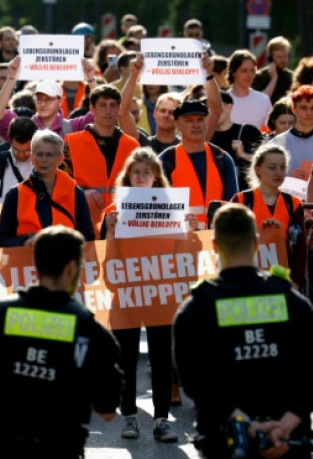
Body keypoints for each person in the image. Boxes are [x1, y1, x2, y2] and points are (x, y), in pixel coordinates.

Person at [173, 203, 313, 459]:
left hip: (226, 441)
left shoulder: (196, 308)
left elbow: (194, 382)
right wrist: (284, 426)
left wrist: (247, 425)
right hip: (288, 441)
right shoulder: (289, 298)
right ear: (256, 243)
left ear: (214, 245)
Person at [0, 226, 123, 459]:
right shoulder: (89, 330)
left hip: (7, 447)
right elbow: (107, 406)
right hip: (61, 448)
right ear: (72, 268)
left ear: (36, 264)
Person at [99, 148, 179, 443]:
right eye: (137, 172)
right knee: (126, 358)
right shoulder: (113, 212)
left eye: (148, 172)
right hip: (126, 294)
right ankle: (130, 417)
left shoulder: (173, 209)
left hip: (161, 294)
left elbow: (185, 254)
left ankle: (161, 419)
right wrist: (109, 231)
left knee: (161, 358)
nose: (142, 176)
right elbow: (107, 263)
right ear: (128, 177)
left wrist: (193, 232)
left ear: (157, 177)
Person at [0, 130, 95, 245]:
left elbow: (88, 236)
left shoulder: (76, 193)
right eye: (39, 154)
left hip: (65, 260)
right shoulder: (14, 195)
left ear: (61, 158)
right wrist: (25, 242)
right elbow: (1, 240)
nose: (43, 159)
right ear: (32, 157)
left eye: (49, 154)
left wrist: (66, 242)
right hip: (27, 261)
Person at [63, 84, 140, 231]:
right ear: (92, 109)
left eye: (113, 105)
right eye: (102, 105)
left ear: (119, 108)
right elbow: (60, 182)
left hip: (122, 224)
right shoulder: (71, 142)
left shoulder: (132, 145)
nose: (108, 111)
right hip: (83, 221)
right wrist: (81, 192)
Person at [231, 145, 307, 287]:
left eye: (282, 167)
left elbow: (299, 249)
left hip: (283, 279)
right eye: (272, 167)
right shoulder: (241, 200)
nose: (278, 173)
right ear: (257, 169)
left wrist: (296, 283)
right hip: (248, 278)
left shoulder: (294, 204)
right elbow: (230, 241)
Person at [159, 99, 239, 229]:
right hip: (181, 242)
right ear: (177, 125)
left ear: (206, 123)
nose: (196, 125)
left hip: (217, 240)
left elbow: (233, 206)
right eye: (189, 120)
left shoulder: (222, 159)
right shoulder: (165, 161)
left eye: (200, 120)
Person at [227, 50, 272, 129]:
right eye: (244, 71)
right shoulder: (222, 100)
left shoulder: (263, 99)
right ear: (233, 72)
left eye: (252, 70)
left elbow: (269, 130)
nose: (249, 75)